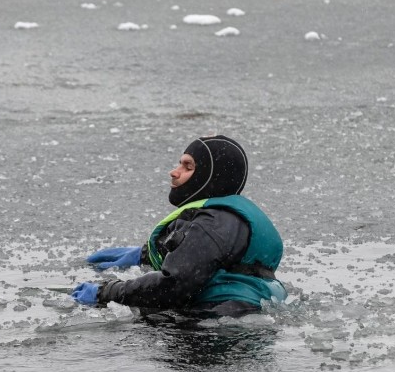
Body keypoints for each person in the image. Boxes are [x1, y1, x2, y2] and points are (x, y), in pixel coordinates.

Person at [72, 135, 287, 316]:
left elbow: (173, 286)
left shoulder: (211, 224)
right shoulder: (224, 218)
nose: (174, 172)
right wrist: (146, 254)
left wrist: (106, 292)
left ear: (210, 176)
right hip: (242, 312)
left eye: (188, 166)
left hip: (217, 324)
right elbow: (203, 255)